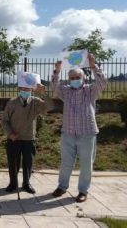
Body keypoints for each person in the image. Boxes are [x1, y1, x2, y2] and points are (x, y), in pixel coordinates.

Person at [51, 54, 106, 203]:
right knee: (65, 162)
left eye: (77, 77)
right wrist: (57, 71)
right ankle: (62, 187)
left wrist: (93, 66)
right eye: (72, 78)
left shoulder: (90, 91)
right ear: (69, 79)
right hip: (68, 132)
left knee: (86, 164)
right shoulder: (66, 91)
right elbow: (54, 89)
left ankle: (83, 191)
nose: (75, 80)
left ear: (83, 78)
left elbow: (102, 83)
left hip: (87, 133)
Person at [1, 83, 53, 194]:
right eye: (23, 88)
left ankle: (26, 183)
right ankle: (13, 183)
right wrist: (10, 134)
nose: (25, 90)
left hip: (29, 138)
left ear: (32, 90)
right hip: (14, 139)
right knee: (13, 163)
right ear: (19, 89)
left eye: (28, 88)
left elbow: (49, 106)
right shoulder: (12, 103)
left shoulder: (36, 102)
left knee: (28, 162)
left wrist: (43, 93)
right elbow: (4, 120)